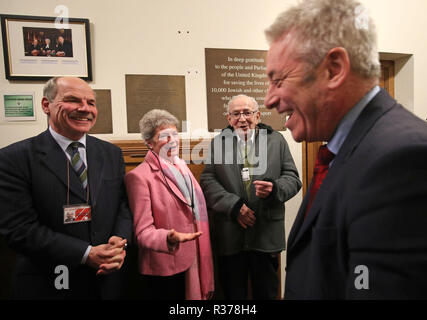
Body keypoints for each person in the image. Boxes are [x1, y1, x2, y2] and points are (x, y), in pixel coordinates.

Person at [264, 0, 427, 299]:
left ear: (333, 69)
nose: (268, 100)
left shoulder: (400, 159)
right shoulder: (344, 148)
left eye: (278, 80)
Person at [0, 76, 133, 299]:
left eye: (91, 103)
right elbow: (19, 229)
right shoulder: (14, 158)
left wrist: (119, 241)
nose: (84, 109)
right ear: (46, 105)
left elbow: (123, 206)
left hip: (106, 281)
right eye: (73, 100)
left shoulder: (111, 154)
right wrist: (86, 254)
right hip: (48, 283)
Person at [200, 94, 301, 300]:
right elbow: (208, 181)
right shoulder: (218, 143)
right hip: (230, 234)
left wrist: (274, 189)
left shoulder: (276, 141)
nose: (242, 118)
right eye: (236, 114)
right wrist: (234, 206)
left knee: (266, 292)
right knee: (232, 294)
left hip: (265, 233)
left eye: (247, 113)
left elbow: (292, 178)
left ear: (257, 116)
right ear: (228, 118)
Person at [125, 109, 214, 300]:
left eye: (175, 134)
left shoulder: (181, 166)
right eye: (164, 136)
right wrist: (168, 237)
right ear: (149, 143)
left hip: (192, 258)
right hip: (164, 266)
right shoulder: (138, 177)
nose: (173, 140)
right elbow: (142, 232)